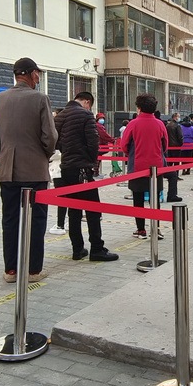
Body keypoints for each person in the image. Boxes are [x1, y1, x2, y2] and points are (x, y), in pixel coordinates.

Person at [0, 57, 56, 283]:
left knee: (10, 219)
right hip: (35, 170)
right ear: (32, 74)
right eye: (38, 74)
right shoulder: (40, 98)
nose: (39, 78)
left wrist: (6, 154)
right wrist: (43, 155)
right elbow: (49, 136)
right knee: (36, 220)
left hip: (8, 170)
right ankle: (33, 270)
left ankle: (11, 270)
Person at [54, 93, 118, 262]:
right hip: (82, 167)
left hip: (66, 167)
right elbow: (93, 142)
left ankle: (77, 249)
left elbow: (55, 141)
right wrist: (91, 161)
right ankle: (97, 248)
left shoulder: (60, 116)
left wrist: (67, 152)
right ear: (87, 102)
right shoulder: (86, 114)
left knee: (74, 209)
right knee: (93, 209)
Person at [121, 93, 168, 239]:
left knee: (138, 199)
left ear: (139, 107)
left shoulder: (133, 124)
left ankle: (141, 230)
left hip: (137, 167)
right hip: (156, 167)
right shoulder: (160, 124)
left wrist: (132, 154)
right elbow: (165, 146)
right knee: (155, 199)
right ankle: (156, 228)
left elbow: (124, 145)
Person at [165, 112, 184, 201]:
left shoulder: (168, 125)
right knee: (176, 162)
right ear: (175, 117)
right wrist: (181, 144)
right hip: (176, 146)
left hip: (169, 146)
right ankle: (175, 175)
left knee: (169, 162)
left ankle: (169, 174)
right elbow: (180, 136)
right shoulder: (177, 126)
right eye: (178, 116)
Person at [94, 112, 115, 177]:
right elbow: (104, 135)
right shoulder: (99, 126)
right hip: (100, 145)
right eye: (101, 118)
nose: (102, 120)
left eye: (103, 118)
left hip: (99, 144)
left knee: (98, 159)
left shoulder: (98, 126)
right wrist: (112, 140)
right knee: (97, 159)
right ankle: (95, 173)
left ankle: (96, 172)